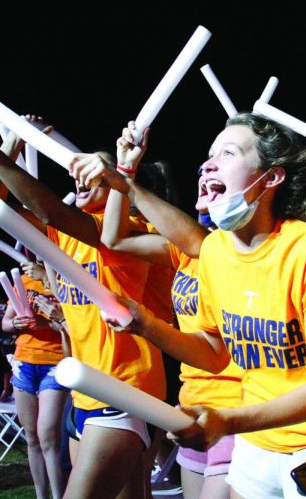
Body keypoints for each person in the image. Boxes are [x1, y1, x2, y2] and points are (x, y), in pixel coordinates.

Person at [80, 113, 306, 499]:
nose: (208, 163)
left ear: (272, 178)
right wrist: (147, 325)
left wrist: (226, 420)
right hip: (256, 441)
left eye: (228, 153)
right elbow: (215, 354)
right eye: (209, 155)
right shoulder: (215, 250)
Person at [0, 109, 172, 499]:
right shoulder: (64, 234)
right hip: (83, 392)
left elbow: (50, 207)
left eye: (94, 171)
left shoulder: (127, 232)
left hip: (125, 391)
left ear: (119, 182)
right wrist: (12, 141)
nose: (80, 175)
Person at [71, 122, 241, 499]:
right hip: (191, 406)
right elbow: (113, 239)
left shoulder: (224, 249)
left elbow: (202, 243)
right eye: (204, 167)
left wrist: (123, 178)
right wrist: (125, 171)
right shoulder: (181, 250)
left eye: (224, 160)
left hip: (238, 412)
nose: (207, 170)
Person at [2, 271, 68, 499]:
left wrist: (46, 323)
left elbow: (71, 326)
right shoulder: (22, 280)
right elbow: (5, 323)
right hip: (24, 363)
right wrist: (14, 322)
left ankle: (59, 496)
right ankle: (41, 495)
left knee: (48, 436)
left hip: (54, 363)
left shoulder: (62, 279)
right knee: (31, 437)